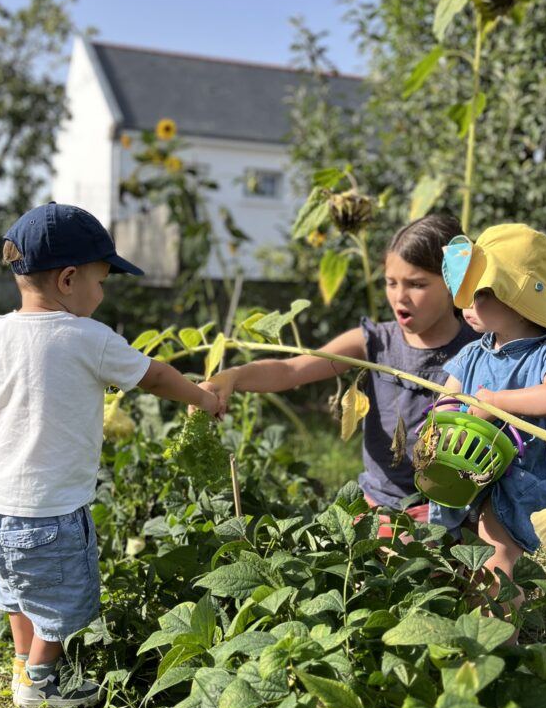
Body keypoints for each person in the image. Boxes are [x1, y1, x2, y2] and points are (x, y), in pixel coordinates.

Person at [0, 202, 220, 708]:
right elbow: (156, 376)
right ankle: (39, 682)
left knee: (18, 593)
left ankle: (22, 664)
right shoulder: (90, 338)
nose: (102, 295)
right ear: (67, 280)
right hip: (52, 514)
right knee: (62, 603)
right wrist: (204, 397)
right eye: (101, 282)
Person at [204, 214, 478, 534]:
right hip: (378, 504)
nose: (399, 296)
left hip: (451, 509)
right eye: (391, 282)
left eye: (416, 284)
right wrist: (233, 377)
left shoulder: (480, 350)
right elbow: (291, 370)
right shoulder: (375, 342)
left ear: (453, 282)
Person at [431, 223, 546, 615]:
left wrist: (498, 401)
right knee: (467, 558)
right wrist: (445, 420)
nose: (467, 305)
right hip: (468, 470)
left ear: (517, 296)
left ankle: (500, 649)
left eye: (480, 293)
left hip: (520, 477)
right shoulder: (473, 354)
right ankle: (472, 630)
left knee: (497, 564)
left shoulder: (544, 353)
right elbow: (446, 400)